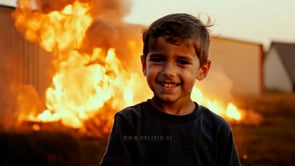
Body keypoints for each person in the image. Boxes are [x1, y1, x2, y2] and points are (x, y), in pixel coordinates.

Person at [100, 13, 241, 166]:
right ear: (144, 65)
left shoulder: (217, 129)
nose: (168, 71)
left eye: (182, 62)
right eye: (158, 59)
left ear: (202, 70)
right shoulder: (129, 122)